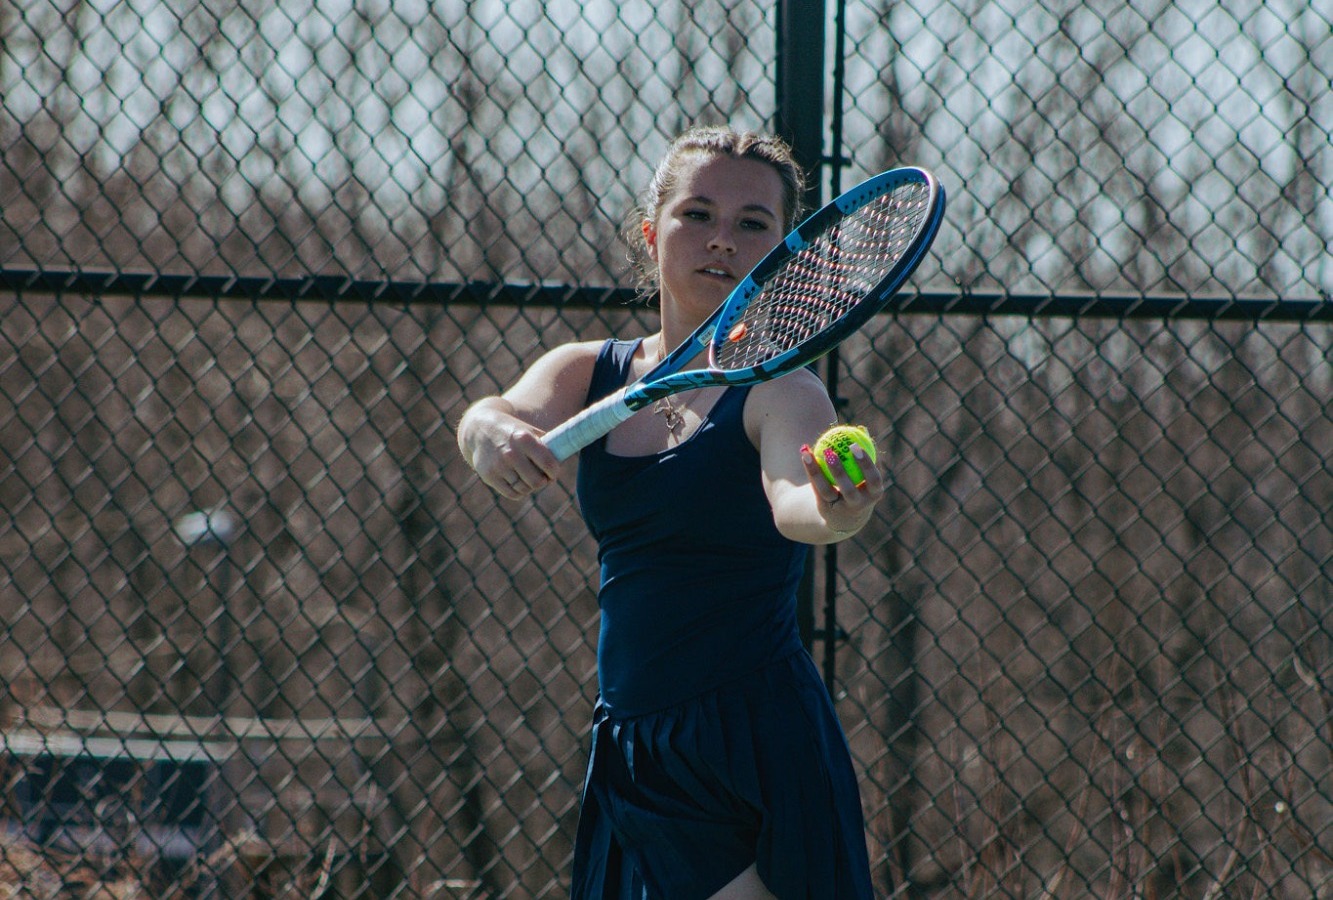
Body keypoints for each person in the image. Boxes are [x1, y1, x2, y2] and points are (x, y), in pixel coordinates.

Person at [456, 126, 879, 900]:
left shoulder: (786, 392)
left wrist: (836, 511)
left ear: (785, 255)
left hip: (748, 743)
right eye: (698, 214)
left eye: (752, 223)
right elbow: (491, 416)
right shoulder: (587, 371)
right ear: (652, 233)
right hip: (630, 743)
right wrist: (493, 434)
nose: (722, 239)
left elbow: (796, 506)